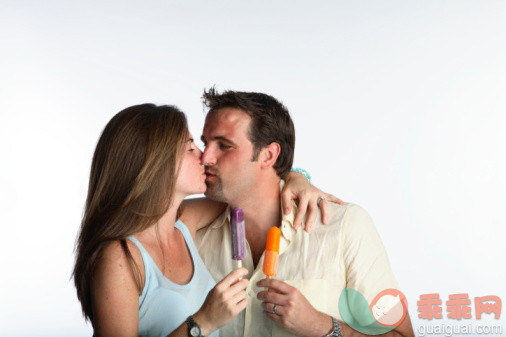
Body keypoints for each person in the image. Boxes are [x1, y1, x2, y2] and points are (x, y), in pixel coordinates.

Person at [72, 103, 338, 337]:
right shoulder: (119, 257)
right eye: (190, 147)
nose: (204, 156)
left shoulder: (184, 223)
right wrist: (203, 322)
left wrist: (296, 177)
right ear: (155, 163)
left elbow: (252, 186)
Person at [195, 88, 415, 337]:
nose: (205, 156)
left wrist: (322, 327)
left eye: (224, 145)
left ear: (268, 155)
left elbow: (402, 334)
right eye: (205, 143)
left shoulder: (344, 226)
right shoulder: (193, 235)